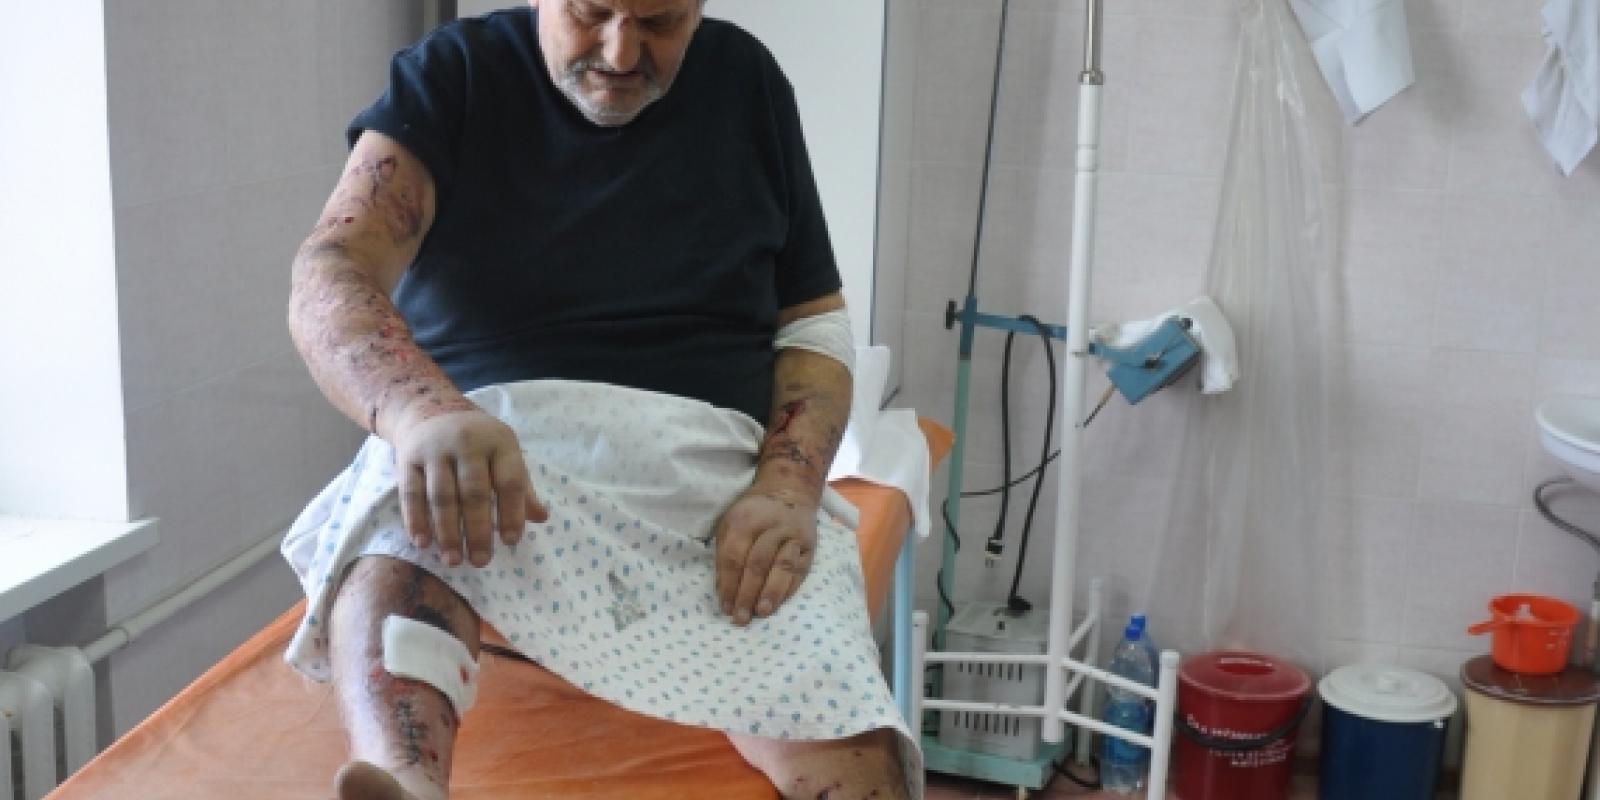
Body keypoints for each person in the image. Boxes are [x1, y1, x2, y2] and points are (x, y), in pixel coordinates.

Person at [281, 1, 919, 799]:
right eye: (591, 12)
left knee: (847, 736)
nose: (620, 53)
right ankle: (406, 776)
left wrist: (788, 487)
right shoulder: (454, 76)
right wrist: (419, 412)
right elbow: (333, 267)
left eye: (659, 22)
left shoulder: (747, 82)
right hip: (497, 463)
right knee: (401, 502)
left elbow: (815, 330)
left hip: (710, 488)